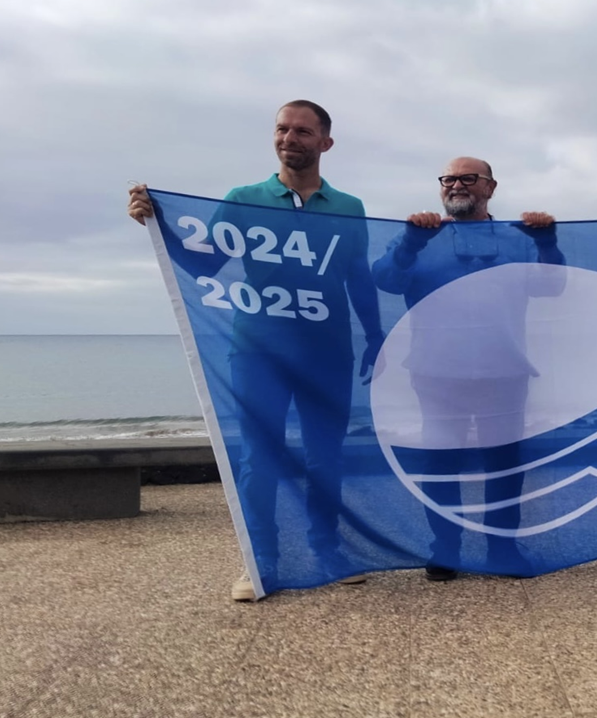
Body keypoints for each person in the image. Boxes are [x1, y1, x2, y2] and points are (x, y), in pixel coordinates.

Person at [127, 100, 383, 601]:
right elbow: (205, 266)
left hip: (327, 354)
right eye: (282, 129)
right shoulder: (244, 199)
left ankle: (326, 551)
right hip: (257, 351)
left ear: (325, 143)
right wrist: (156, 226)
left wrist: (375, 336)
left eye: (303, 131)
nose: (290, 138)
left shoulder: (349, 207)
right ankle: (260, 560)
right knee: (259, 458)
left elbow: (360, 279)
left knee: (325, 458)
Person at [371, 157, 566, 581]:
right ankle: (446, 549)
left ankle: (502, 549)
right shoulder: (420, 237)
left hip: (506, 370)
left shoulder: (519, 239)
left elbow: (553, 286)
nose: (456, 185)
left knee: (504, 464)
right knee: (441, 462)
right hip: (436, 372)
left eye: (468, 178)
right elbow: (385, 279)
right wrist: (408, 244)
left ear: (491, 188)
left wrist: (549, 243)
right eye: (449, 179)